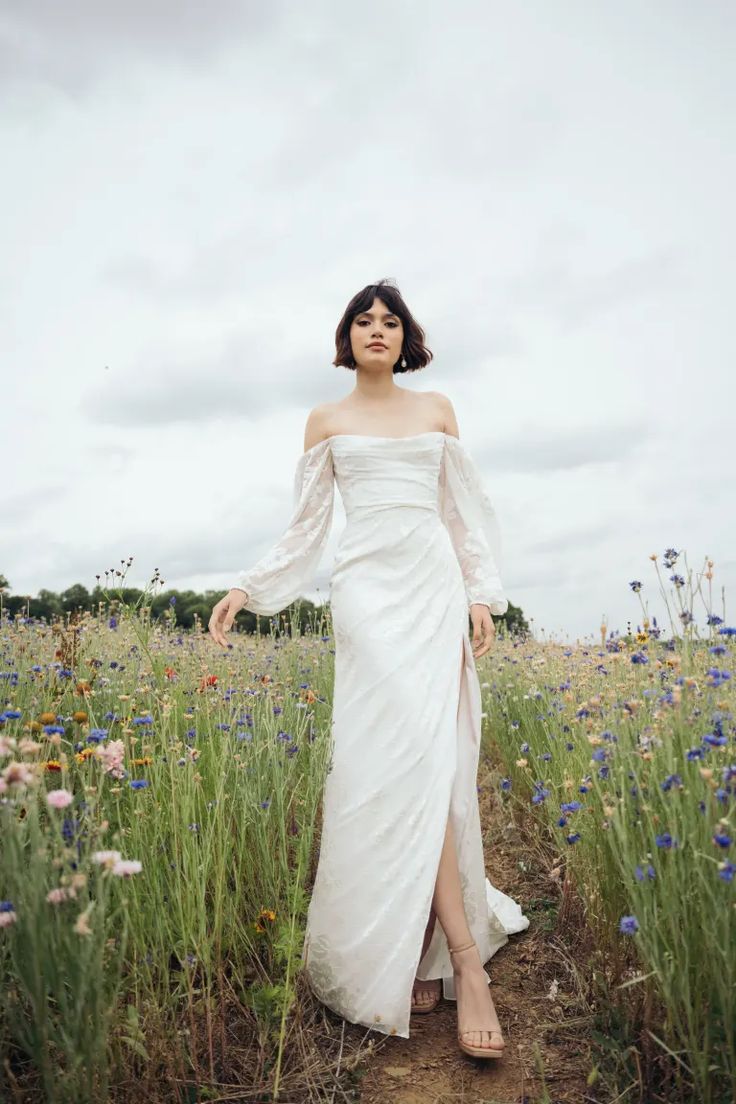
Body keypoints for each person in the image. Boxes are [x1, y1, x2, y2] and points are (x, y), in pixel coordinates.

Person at [209, 279, 529, 1060]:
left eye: (391, 320)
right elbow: (306, 529)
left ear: (406, 336)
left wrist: (481, 595)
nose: (377, 329)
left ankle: (448, 955)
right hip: (365, 598)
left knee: (431, 766)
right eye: (364, 320)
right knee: (382, 770)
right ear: (346, 336)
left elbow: (461, 514)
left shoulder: (438, 410)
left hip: (430, 588)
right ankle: (426, 948)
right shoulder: (327, 420)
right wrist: (251, 585)